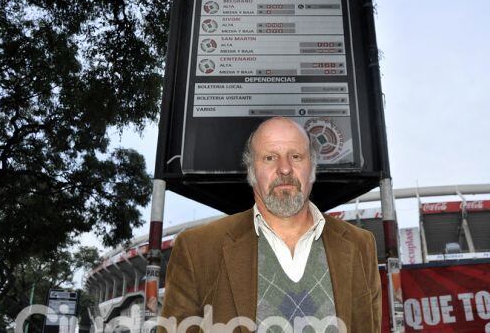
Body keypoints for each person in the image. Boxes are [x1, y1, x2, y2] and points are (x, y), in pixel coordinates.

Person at [160, 117, 381, 332]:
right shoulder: (198, 249)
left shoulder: (360, 245)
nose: (284, 168)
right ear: (251, 171)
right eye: (269, 158)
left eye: (295, 156)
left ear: (312, 169)